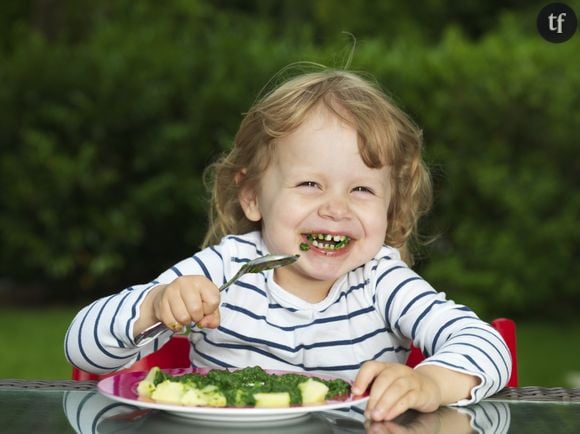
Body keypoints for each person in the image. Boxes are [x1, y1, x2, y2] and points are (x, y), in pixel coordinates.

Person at [65, 67, 511, 421]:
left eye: (361, 190)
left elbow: (487, 345)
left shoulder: (382, 280)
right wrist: (155, 304)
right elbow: (82, 348)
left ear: (390, 208)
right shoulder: (224, 270)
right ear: (253, 196)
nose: (336, 208)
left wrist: (430, 383)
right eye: (310, 183)